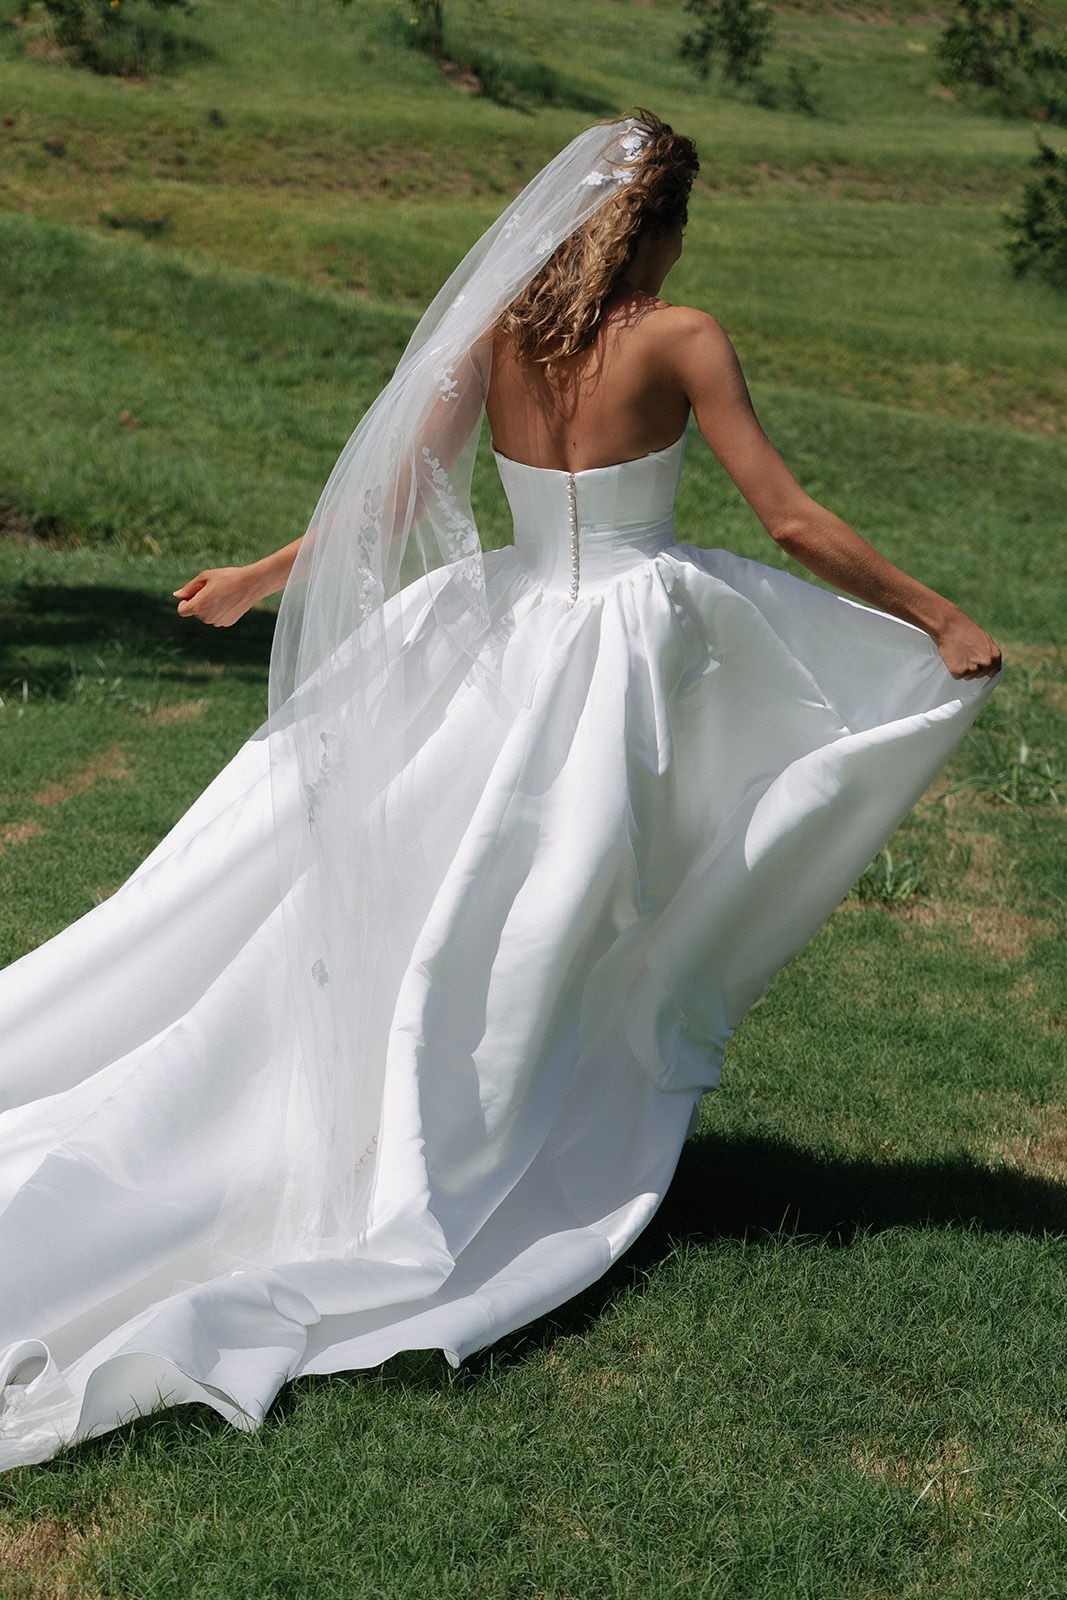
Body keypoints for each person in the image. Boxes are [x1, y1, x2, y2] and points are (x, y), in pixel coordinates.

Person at [0, 112, 999, 1470]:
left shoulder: (502, 332)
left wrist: (253, 578)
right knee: (567, 895)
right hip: (625, 648)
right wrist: (936, 616)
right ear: (665, 226)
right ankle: (498, 1132)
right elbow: (790, 521)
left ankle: (442, 1090)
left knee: (474, 887)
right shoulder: (682, 335)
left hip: (496, 630)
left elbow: (395, 497)